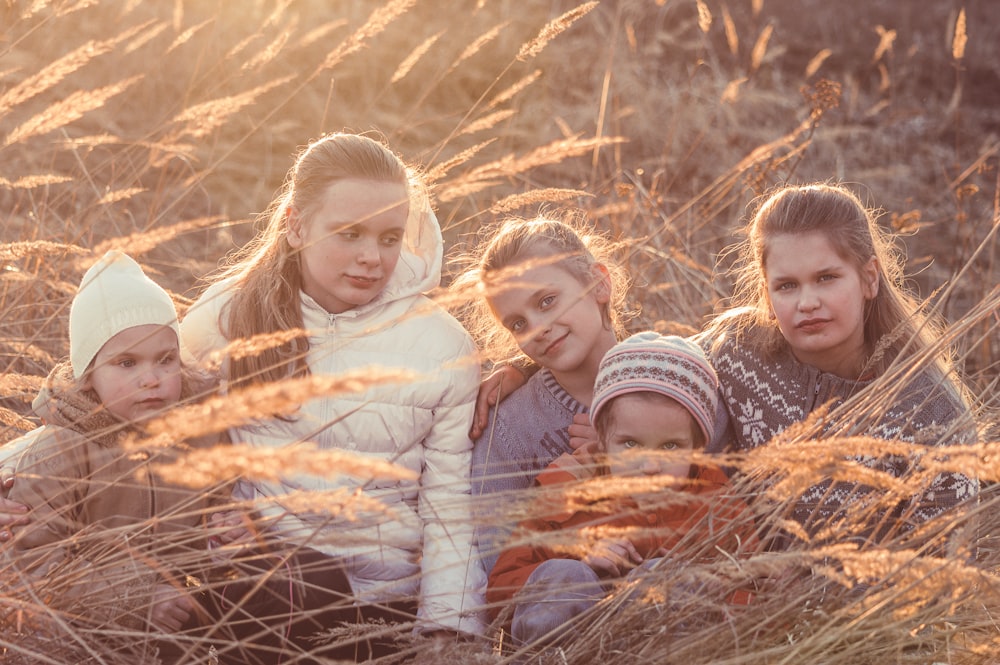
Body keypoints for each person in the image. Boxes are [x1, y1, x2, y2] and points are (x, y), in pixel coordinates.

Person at [176, 132, 487, 648]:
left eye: (389, 238)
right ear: (296, 225)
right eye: (349, 233)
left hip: (383, 604)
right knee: (294, 588)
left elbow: (447, 498)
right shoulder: (225, 318)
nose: (372, 256)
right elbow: (139, 422)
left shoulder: (443, 346)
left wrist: (447, 626)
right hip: (259, 590)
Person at [694, 182, 978, 544]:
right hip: (713, 583)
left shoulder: (931, 413)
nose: (807, 302)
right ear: (766, 292)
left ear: (869, 278)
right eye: (786, 286)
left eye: (826, 278)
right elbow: (645, 385)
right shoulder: (733, 350)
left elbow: (939, 567)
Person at [0, 250, 227, 662]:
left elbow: (225, 501)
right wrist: (137, 598)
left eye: (165, 359)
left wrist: (227, 530)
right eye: (126, 363)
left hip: (185, 610)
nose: (151, 378)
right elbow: (29, 562)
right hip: (85, 631)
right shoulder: (62, 450)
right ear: (89, 377)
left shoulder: (202, 434)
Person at [486, 332, 757, 650]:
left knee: (666, 577)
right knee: (563, 575)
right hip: (571, 648)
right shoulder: (566, 489)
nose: (650, 465)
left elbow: (752, 587)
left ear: (698, 447)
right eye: (630, 444)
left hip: (666, 649)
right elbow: (498, 593)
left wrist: (699, 581)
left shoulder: (717, 502)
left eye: (670, 447)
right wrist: (580, 560)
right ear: (602, 438)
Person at [449, 216, 630, 575]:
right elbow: (499, 559)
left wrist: (627, 448)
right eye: (517, 323)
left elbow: (717, 504)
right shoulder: (509, 429)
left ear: (599, 283)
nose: (538, 330)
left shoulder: (673, 381)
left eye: (547, 301)